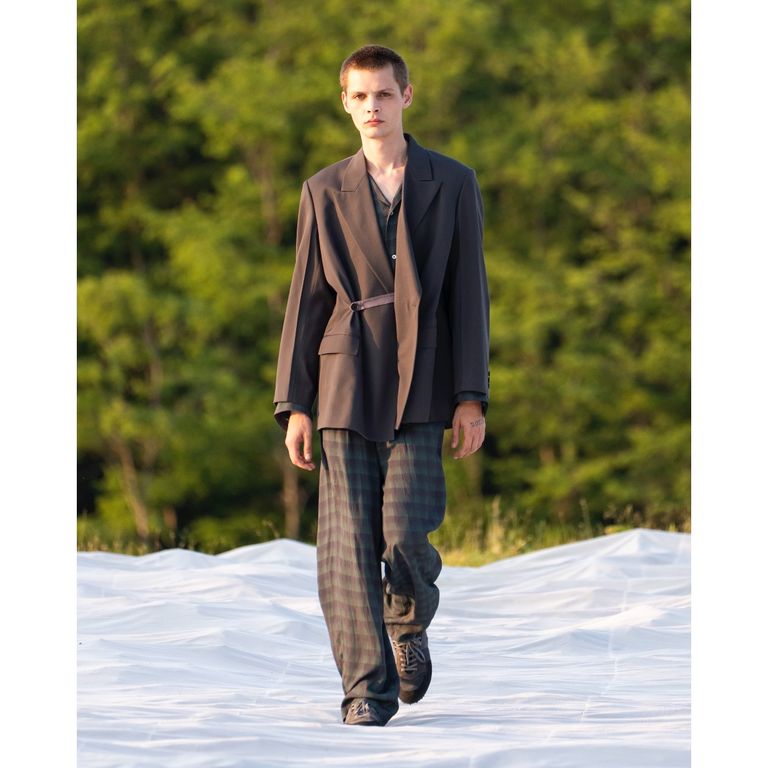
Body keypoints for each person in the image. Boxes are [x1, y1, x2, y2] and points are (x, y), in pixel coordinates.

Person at [273, 44, 490, 727]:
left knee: (404, 532)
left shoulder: (452, 182)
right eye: (360, 96)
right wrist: (295, 403)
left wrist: (471, 395)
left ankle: (408, 620)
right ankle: (366, 691)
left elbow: (469, 295)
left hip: (424, 376)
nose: (373, 107)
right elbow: (307, 299)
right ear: (346, 103)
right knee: (345, 548)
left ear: (407, 97)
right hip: (344, 376)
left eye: (384, 94)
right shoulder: (322, 189)